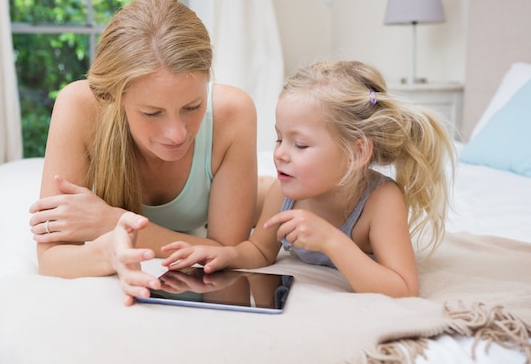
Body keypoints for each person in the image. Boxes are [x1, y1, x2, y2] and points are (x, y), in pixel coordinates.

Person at [28, 0, 260, 305]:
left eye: (193, 106)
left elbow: (225, 254)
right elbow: (52, 259)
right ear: (114, 97)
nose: (178, 134)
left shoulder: (234, 114)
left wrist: (110, 221)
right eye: (152, 113)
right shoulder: (80, 107)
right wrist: (107, 251)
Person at [161, 60, 456, 298]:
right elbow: (261, 250)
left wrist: (331, 240)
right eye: (278, 139)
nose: (280, 154)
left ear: (356, 152)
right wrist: (224, 255)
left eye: (299, 145)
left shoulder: (382, 200)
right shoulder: (284, 192)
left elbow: (403, 289)